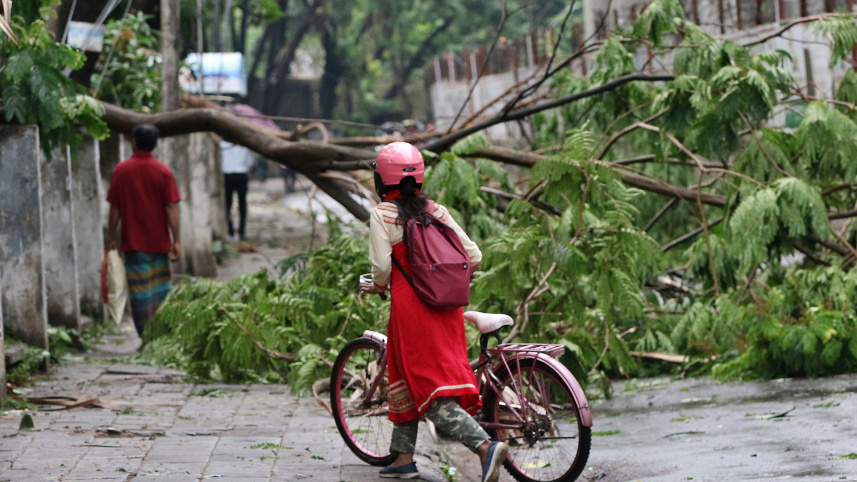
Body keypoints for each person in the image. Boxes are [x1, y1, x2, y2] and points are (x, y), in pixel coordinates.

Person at [360, 142, 509, 481]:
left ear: (382, 179)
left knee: (428, 387)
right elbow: (474, 256)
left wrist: (376, 285)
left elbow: (382, 270)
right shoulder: (436, 211)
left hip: (411, 310)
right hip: (445, 307)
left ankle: (484, 447)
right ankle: (403, 460)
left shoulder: (383, 214)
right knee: (410, 378)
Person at [106, 124, 181, 337]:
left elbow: (115, 208)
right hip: (159, 242)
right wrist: (176, 240)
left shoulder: (122, 170)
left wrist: (111, 236)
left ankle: (145, 335)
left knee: (140, 293)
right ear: (156, 144)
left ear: (134, 142)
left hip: (134, 243)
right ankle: (160, 335)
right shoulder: (163, 171)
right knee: (161, 291)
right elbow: (171, 207)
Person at [221, 140, 255, 240]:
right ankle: (241, 231)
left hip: (228, 175)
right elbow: (250, 163)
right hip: (241, 174)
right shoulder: (245, 145)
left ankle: (230, 229)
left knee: (228, 203)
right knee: (242, 203)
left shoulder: (223, 145)